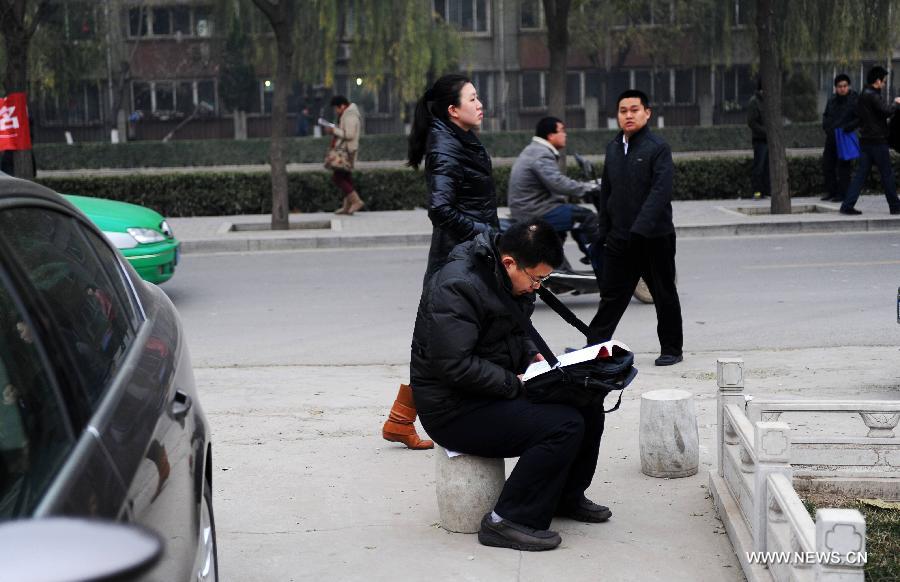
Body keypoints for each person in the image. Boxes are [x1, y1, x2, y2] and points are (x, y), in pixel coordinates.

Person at [411, 220, 611, 551]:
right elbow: (453, 366)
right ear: (509, 262)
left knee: (586, 401)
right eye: (536, 278)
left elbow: (517, 334)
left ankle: (565, 497)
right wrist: (515, 382)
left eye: (543, 279)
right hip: (453, 407)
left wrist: (534, 361)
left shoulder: (507, 280)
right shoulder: (457, 285)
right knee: (562, 425)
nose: (537, 286)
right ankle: (507, 521)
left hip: (492, 389)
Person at [381, 74, 499, 450]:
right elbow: (442, 209)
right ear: (453, 110)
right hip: (458, 258)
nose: (480, 104)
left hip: (468, 253)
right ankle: (409, 420)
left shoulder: (458, 139)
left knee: (445, 341)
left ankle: (400, 420)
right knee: (445, 343)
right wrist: (489, 235)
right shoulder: (446, 146)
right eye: (473, 98)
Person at [588, 89, 683, 367]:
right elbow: (608, 191)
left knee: (663, 294)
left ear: (647, 113)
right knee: (612, 298)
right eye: (623, 111)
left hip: (654, 238)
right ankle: (593, 349)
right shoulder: (614, 147)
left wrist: (640, 229)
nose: (628, 115)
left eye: (634, 109)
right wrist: (603, 230)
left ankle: (671, 349)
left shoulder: (657, 147)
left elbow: (660, 193)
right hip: (619, 238)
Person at [507, 116, 601, 269]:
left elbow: (554, 182)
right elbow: (557, 183)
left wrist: (583, 185)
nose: (565, 135)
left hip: (530, 208)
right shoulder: (541, 153)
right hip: (535, 211)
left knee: (564, 228)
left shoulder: (535, 150)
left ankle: (561, 275)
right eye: (562, 131)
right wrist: (588, 188)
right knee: (586, 217)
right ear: (550, 135)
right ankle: (599, 260)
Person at [840, 66, 900, 216]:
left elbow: (862, 117)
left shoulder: (863, 95)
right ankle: (895, 206)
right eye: (884, 81)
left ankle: (847, 205)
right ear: (877, 81)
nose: (884, 84)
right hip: (878, 141)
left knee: (860, 175)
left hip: (866, 141)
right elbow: (886, 111)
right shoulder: (873, 95)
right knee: (887, 174)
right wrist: (897, 103)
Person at [820, 74, 858, 203]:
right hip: (831, 136)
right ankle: (832, 192)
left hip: (844, 136)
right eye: (840, 86)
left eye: (845, 86)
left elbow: (859, 118)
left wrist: (849, 127)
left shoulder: (854, 99)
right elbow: (825, 115)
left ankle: (843, 194)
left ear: (849, 86)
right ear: (835, 88)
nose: (842, 89)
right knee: (827, 165)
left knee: (843, 167)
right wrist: (826, 127)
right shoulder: (832, 100)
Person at [323, 95, 364, 215]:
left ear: (342, 106)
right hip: (346, 151)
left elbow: (349, 134)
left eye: (337, 108)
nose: (336, 111)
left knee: (338, 178)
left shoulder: (350, 115)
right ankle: (347, 206)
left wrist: (333, 130)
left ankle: (356, 201)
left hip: (346, 152)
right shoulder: (347, 114)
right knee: (346, 177)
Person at [747, 82, 770, 199]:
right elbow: (751, 122)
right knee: (759, 166)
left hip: (769, 141)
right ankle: (757, 192)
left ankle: (766, 191)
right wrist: (766, 131)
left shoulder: (768, 100)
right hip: (760, 140)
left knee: (767, 167)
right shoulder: (754, 102)